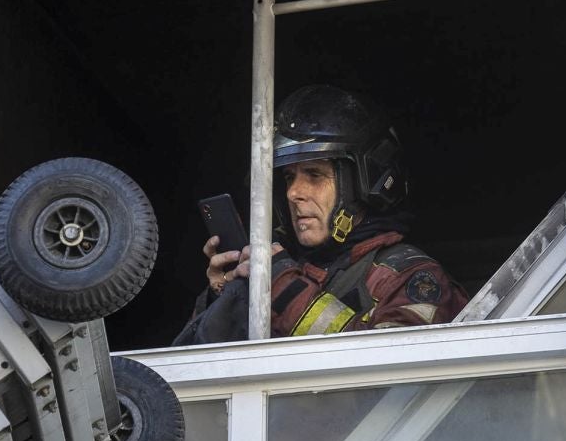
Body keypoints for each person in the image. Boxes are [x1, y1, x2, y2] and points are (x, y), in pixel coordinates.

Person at [175, 85, 464, 345]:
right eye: (289, 178)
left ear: (363, 186)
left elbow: (390, 384)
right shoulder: (285, 268)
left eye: (314, 174)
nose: (293, 193)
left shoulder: (410, 277)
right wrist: (224, 294)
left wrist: (282, 287)